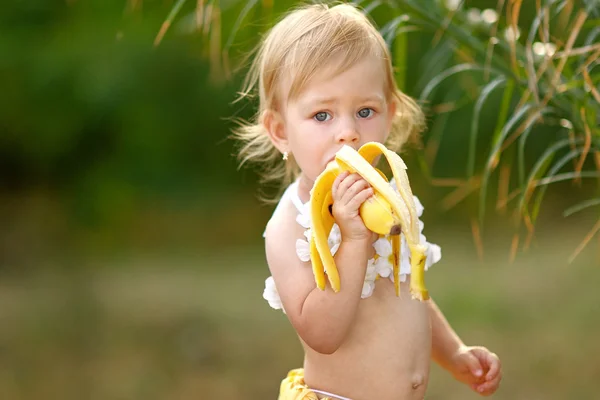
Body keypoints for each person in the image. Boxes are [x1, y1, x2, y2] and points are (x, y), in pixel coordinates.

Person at [232, 2, 502, 399]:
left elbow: (408, 293)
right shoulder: (290, 225)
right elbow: (323, 335)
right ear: (280, 131)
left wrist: (454, 352)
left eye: (364, 110)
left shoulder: (387, 202)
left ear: (389, 115)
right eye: (322, 115)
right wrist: (354, 242)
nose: (348, 132)